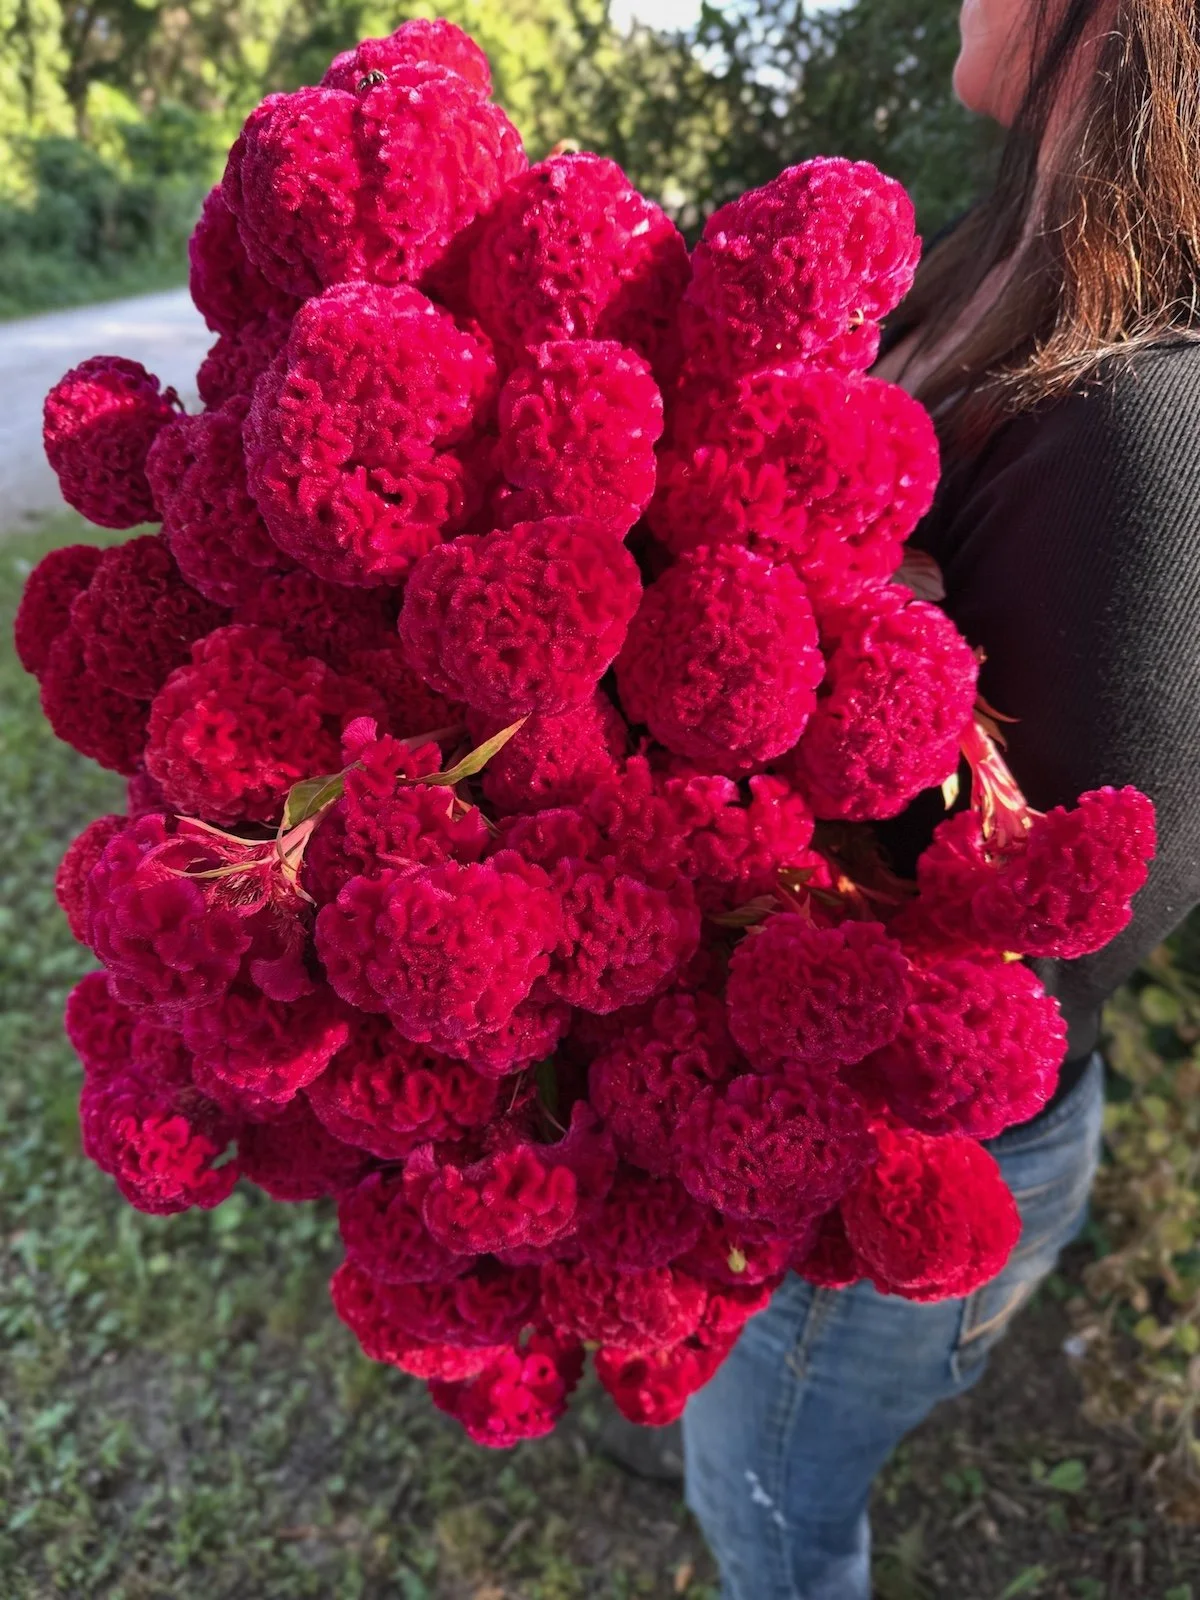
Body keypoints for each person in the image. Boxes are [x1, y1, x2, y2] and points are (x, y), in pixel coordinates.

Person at [680, 1, 1200, 1595]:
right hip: (797, 1101)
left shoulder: (1139, 428)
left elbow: (1067, 933)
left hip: (887, 1151)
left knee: (770, 1508)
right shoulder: (995, 267)